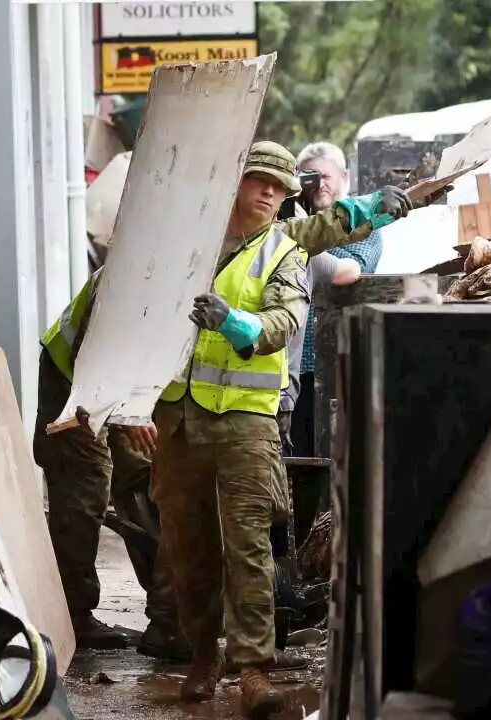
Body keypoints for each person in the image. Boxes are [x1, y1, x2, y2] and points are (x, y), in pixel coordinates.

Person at [150, 140, 416, 717]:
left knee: (247, 547)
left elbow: (284, 322)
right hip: (178, 421)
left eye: (279, 187)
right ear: (235, 184)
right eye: (258, 182)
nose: (269, 193)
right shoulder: (186, 241)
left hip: (246, 422)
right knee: (187, 548)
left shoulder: (283, 250)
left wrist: (234, 321)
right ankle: (202, 654)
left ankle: (252, 669)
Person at [34, 269, 190, 660]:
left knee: (143, 477)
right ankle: (73, 611)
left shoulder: (187, 267)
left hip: (121, 385)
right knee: (83, 487)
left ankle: (167, 615)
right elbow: (94, 360)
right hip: (76, 383)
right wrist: (127, 416)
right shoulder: (131, 274)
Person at [292, 142, 384, 453]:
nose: (319, 184)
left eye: (325, 176)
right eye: (310, 177)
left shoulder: (363, 223)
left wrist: (301, 246)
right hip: (288, 363)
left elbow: (348, 271)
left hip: (332, 361)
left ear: (344, 176)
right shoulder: (292, 221)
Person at [278, 251, 360, 455]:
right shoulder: (299, 250)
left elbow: (359, 265)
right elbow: (351, 269)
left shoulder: (305, 251)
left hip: (299, 381)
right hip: (278, 388)